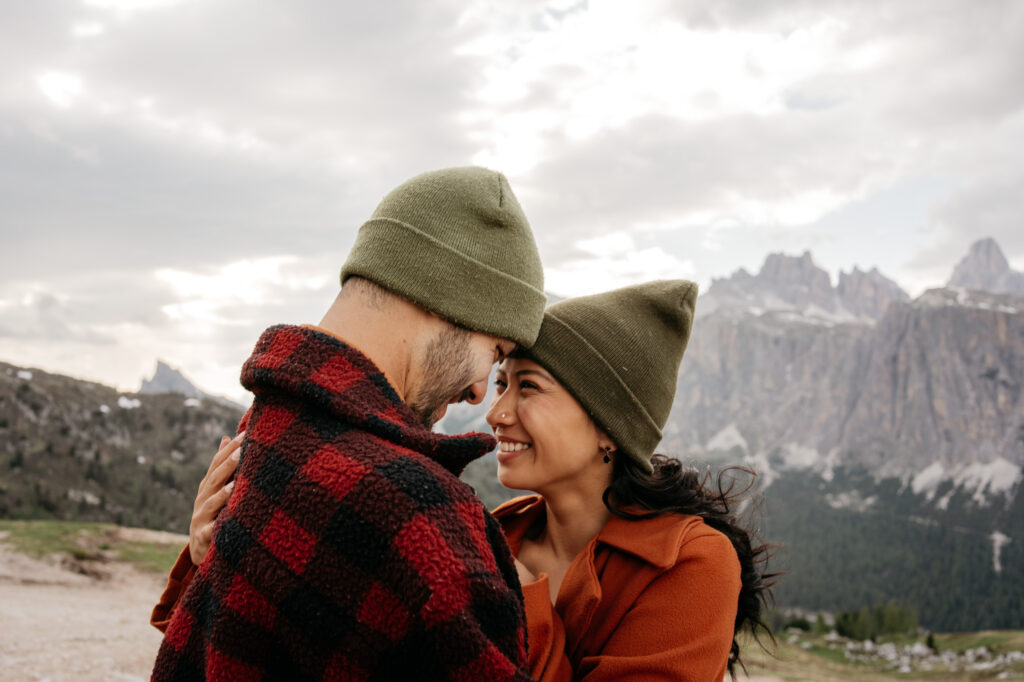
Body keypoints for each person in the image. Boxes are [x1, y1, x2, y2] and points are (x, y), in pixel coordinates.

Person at [158, 280, 775, 681]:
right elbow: (293, 640)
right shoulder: (478, 533)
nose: (496, 412)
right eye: (501, 382)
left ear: (608, 426)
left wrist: (525, 598)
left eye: (528, 387)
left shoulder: (690, 563)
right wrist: (211, 552)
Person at [150, 166, 547, 681]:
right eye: (495, 351)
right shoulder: (420, 514)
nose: (478, 391)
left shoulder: (267, 425)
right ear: (447, 299)